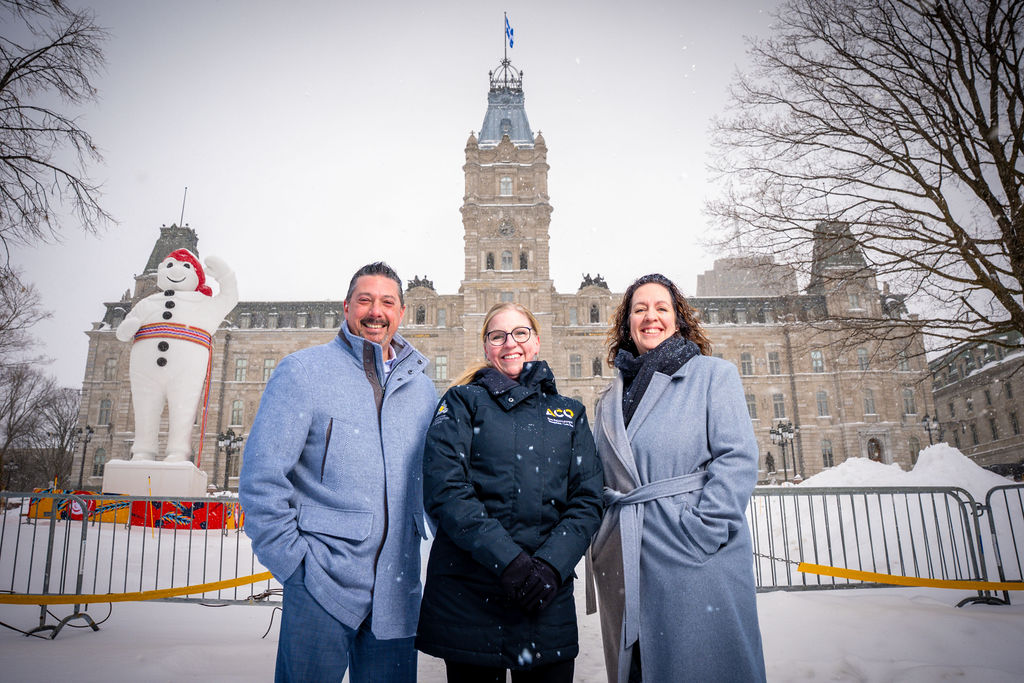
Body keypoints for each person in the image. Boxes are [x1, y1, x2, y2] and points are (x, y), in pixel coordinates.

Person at [239, 262, 437, 683]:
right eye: (364, 300)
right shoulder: (305, 372)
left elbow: (431, 483)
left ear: (401, 312)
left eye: (387, 302)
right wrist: (297, 567)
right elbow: (261, 480)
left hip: (397, 590)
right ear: (347, 307)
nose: (375, 311)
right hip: (321, 585)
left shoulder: (422, 388)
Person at [588, 273, 766, 683]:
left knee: (699, 666)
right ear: (627, 323)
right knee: (639, 670)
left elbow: (737, 458)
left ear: (679, 319)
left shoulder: (712, 375)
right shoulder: (609, 397)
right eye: (639, 309)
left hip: (692, 555)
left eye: (661, 308)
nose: (651, 317)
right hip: (625, 558)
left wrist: (704, 530)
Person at [416, 302, 604, 683]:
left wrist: (551, 565)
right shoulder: (460, 402)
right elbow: (447, 489)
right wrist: (511, 562)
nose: (510, 343)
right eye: (497, 336)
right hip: (470, 594)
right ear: (486, 347)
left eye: (520, 333)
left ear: (535, 342)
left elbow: (588, 498)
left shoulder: (569, 413)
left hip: (545, 597)